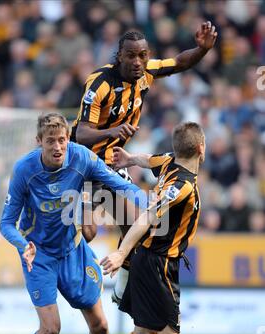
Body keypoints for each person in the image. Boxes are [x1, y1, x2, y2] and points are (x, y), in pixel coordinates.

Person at [0, 112, 147, 334]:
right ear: (38, 142)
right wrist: (21, 244)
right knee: (50, 329)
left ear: (68, 140)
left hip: (73, 251)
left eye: (62, 140)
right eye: (51, 141)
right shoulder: (24, 170)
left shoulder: (81, 158)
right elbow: (6, 223)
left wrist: (151, 201)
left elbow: (115, 184)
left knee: (101, 327)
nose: (58, 147)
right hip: (37, 254)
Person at [71, 22, 217, 305]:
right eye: (131, 56)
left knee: (138, 226)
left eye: (143, 55)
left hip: (111, 167)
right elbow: (81, 133)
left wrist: (202, 49)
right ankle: (62, 260)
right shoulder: (99, 83)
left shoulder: (148, 71)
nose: (138, 62)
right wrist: (111, 132)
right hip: (84, 165)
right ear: (119, 55)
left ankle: (120, 291)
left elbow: (180, 63)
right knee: (88, 232)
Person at [100, 122, 204, 334]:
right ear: (202, 148)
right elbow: (146, 218)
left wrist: (128, 159)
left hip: (149, 259)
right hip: (159, 264)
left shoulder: (169, 162)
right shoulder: (182, 187)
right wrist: (121, 253)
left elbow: (148, 160)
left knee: (142, 332)